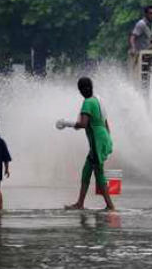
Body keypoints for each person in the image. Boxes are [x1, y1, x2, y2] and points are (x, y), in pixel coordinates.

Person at [56, 77, 115, 211]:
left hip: (97, 141)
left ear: (81, 90)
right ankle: (80, 203)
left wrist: (66, 123)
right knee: (87, 170)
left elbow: (83, 124)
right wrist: (107, 139)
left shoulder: (87, 102)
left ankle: (110, 206)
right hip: (103, 138)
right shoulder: (98, 100)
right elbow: (104, 122)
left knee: (98, 173)